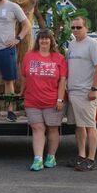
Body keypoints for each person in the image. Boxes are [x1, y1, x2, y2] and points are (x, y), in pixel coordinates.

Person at [20, 29, 67, 171]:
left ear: (51, 41)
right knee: (37, 128)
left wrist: (60, 99)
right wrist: (21, 92)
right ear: (38, 40)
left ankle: (51, 157)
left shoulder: (59, 58)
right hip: (32, 100)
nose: (44, 41)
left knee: (52, 129)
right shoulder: (29, 56)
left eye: (47, 38)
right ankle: (38, 159)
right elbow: (23, 76)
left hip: (52, 101)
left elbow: (63, 80)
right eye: (41, 38)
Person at [67, 16, 97, 171]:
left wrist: (94, 89)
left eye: (78, 27)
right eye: (73, 28)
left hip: (86, 92)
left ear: (86, 28)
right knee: (79, 126)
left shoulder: (93, 44)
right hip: (73, 92)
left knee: (89, 126)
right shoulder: (72, 45)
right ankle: (81, 156)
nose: (75, 30)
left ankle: (91, 159)